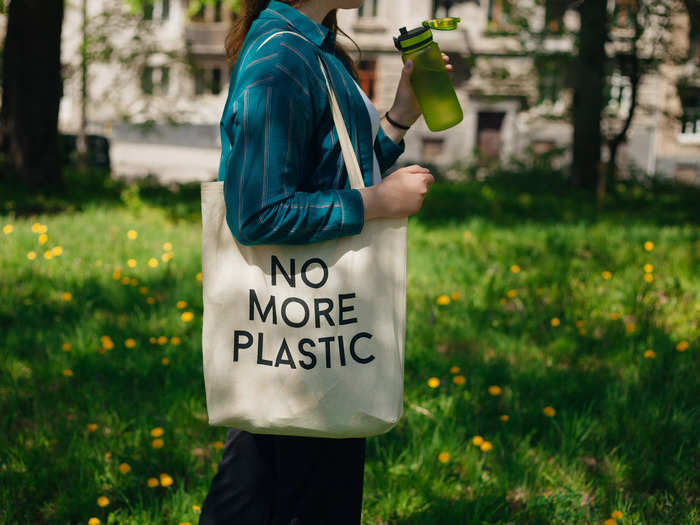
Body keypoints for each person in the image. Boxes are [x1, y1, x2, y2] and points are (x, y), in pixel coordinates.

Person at [199, 1, 450, 523]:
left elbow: (336, 170)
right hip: (307, 331)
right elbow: (259, 212)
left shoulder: (314, 47)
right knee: (287, 491)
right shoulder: (282, 60)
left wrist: (399, 118)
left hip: (307, 329)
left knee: (261, 483)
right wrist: (378, 204)